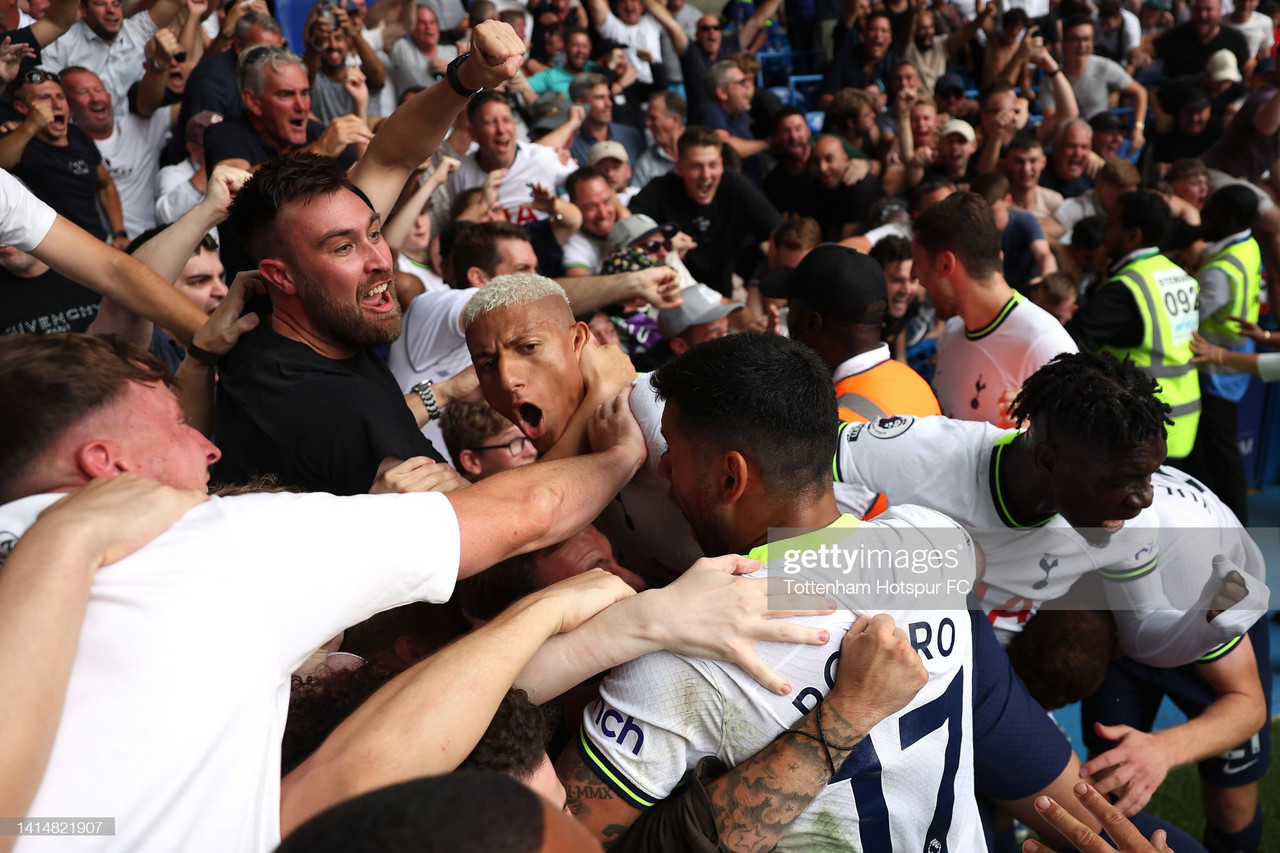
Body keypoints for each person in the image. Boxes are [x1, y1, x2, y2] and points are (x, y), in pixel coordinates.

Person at [0, 323, 649, 852]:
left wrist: (553, 612)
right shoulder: (202, 545)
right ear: (107, 464)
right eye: (176, 423)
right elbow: (523, 516)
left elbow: (321, 791)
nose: (208, 447)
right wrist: (620, 454)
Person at [557, 332, 984, 851]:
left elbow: (562, 836)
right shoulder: (929, 539)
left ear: (731, 477)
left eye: (673, 450)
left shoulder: (683, 663)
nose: (663, 467)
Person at [833, 350, 1258, 665]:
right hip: (860, 654)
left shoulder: (1125, 525)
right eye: (1123, 481)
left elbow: (1143, 633)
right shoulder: (923, 453)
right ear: (1050, 461)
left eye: (1148, 477)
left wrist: (1208, 620)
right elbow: (793, 460)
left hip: (983, 679)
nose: (1144, 499)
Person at [761, 244, 939, 519]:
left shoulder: (833, 426)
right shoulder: (912, 380)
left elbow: (795, 537)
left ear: (811, 322)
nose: (787, 320)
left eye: (790, 307)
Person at [914, 191, 1076, 427]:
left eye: (917, 264)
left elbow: (1081, 454)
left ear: (946, 264)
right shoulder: (951, 331)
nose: (914, 277)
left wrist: (1027, 445)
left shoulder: (1047, 345)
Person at [1067, 191, 1201, 461]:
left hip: (1143, 426)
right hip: (1181, 418)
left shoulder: (1126, 288)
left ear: (1132, 235)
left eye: (1111, 225)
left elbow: (1069, 343)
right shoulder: (1176, 274)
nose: (1104, 231)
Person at [1179, 186, 1263, 523]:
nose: (1202, 218)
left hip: (1219, 371)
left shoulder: (1220, 272)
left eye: (1209, 213)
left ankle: (1237, 526)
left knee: (1222, 452)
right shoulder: (1247, 243)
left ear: (1228, 220)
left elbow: (1188, 315)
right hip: (1233, 359)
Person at [630, 126, 781, 296]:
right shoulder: (660, 189)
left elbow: (780, 231)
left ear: (722, 165)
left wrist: (767, 285)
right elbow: (627, 225)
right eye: (696, 166)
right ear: (679, 168)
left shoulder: (735, 186)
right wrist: (662, 240)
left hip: (723, 294)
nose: (706, 175)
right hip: (670, 294)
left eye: (713, 165)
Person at [0, 67, 128, 246]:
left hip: (98, 242)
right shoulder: (17, 140)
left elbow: (105, 185)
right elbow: (2, 164)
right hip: (53, 252)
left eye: (60, 97)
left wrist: (119, 233)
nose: (57, 104)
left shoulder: (78, 135)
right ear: (21, 107)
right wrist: (30, 126)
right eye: (44, 98)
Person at [60, 65, 171, 238]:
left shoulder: (140, 127)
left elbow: (192, 109)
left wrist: (158, 65)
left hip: (152, 242)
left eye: (98, 89)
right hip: (98, 248)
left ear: (109, 96)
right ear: (68, 106)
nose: (95, 98)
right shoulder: (64, 143)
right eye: (83, 92)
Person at [39, 0, 184, 107]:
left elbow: (174, 2)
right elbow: (39, 88)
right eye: (101, 4)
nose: (111, 10)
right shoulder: (62, 44)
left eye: (115, 4)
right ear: (83, 9)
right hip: (82, 132)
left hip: (135, 130)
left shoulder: (135, 30)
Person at [973, 172, 1057, 292]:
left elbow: (1044, 255)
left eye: (993, 211)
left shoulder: (1025, 221)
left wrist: (1045, 280)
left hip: (1026, 289)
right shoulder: (974, 230)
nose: (987, 217)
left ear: (1008, 200)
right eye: (981, 212)